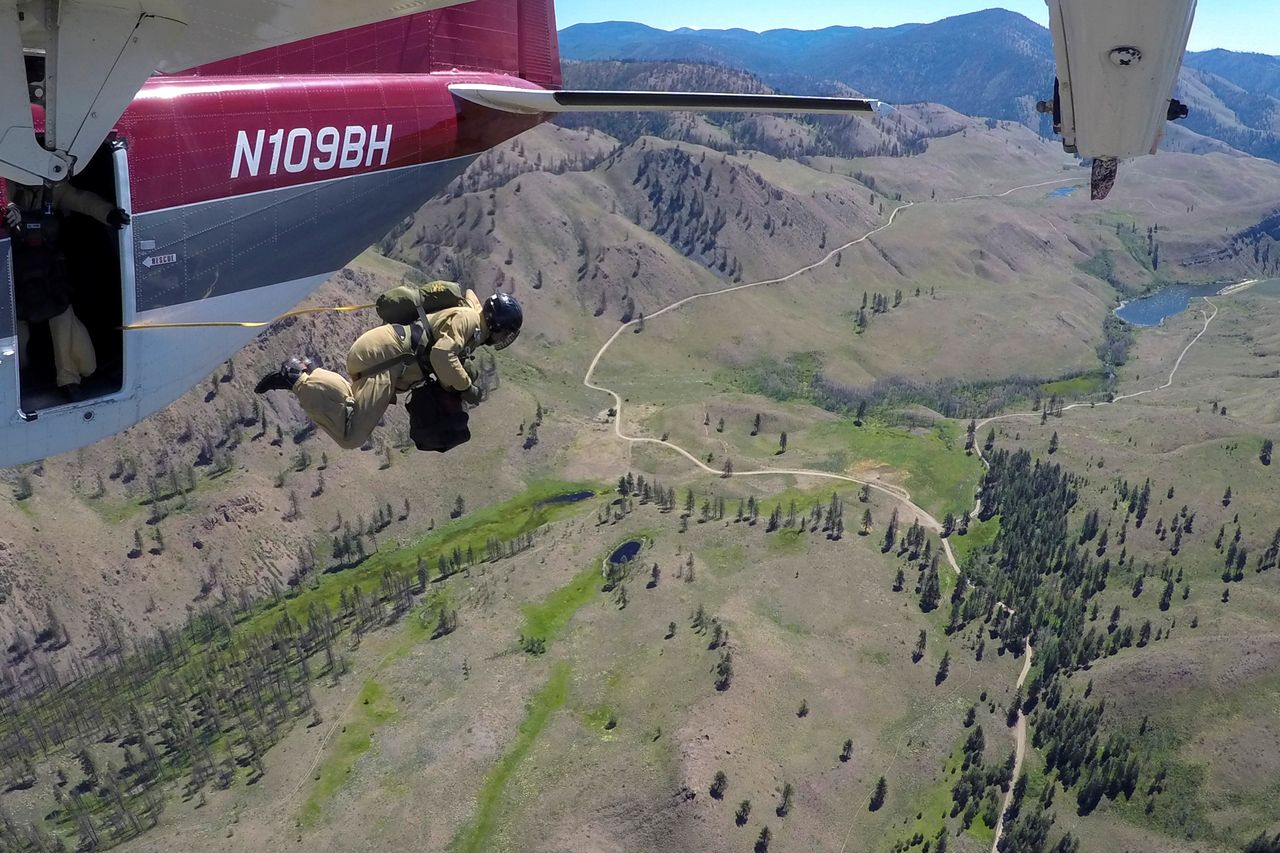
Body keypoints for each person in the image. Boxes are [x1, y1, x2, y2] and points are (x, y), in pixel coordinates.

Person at [255, 289, 522, 450]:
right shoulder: (468, 320)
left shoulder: (473, 322)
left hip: (383, 356)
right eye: (506, 333)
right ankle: (298, 376)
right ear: (496, 324)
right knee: (351, 437)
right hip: (384, 360)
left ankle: (309, 374)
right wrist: (467, 387)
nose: (503, 340)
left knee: (349, 404)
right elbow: (442, 356)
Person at [4, 179, 130, 400]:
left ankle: (69, 380)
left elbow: (82, 200)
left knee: (63, 323)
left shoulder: (53, 190)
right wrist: (5, 207)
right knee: (17, 334)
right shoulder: (7, 188)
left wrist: (109, 214)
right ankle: (18, 375)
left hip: (48, 273)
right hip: (15, 275)